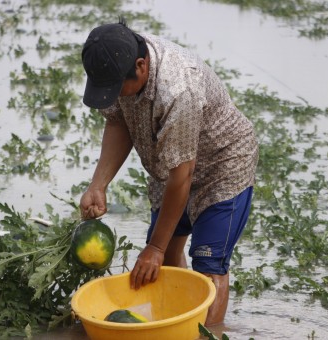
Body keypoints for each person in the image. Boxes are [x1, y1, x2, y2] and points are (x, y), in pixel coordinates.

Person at [79, 18, 258, 326]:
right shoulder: (117, 58)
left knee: (208, 264)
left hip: (221, 166)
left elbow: (183, 177)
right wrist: (99, 184)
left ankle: (207, 333)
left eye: (117, 88)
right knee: (162, 266)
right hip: (171, 163)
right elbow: (118, 122)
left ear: (140, 66)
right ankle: (175, 322)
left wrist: (155, 247)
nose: (115, 96)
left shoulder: (177, 89)